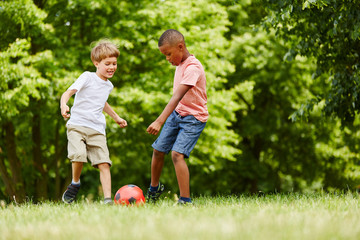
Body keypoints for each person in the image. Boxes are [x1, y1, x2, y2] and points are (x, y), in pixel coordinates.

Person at [60, 40, 127, 204]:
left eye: (114, 63)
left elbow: (102, 102)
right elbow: (68, 92)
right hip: (77, 125)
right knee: (79, 155)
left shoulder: (108, 86)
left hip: (97, 129)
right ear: (96, 63)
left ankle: (108, 200)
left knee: (104, 163)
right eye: (107, 64)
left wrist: (116, 117)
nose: (112, 67)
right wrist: (63, 104)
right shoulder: (87, 77)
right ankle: (75, 183)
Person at [146, 29, 208, 205]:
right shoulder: (180, 63)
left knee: (177, 154)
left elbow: (177, 96)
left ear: (180, 47)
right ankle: (154, 188)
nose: (167, 59)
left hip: (194, 118)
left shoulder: (193, 67)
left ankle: (185, 199)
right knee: (158, 150)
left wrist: (159, 121)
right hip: (178, 113)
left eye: (168, 54)